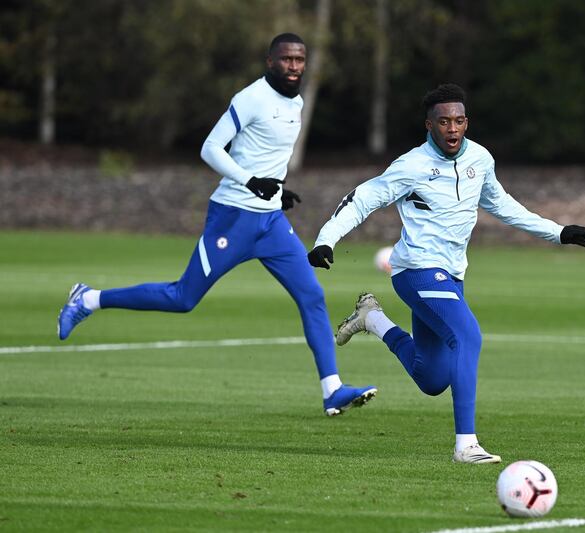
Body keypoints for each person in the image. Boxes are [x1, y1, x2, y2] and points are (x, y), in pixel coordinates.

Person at [57, 33, 377, 417]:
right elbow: (209, 148)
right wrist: (249, 182)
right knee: (183, 299)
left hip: (271, 222)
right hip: (233, 219)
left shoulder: (298, 102)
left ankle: (333, 391)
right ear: (269, 61)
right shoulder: (251, 98)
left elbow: (266, 156)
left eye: (300, 60)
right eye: (286, 59)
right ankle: (88, 299)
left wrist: (277, 191)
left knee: (312, 296)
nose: (294, 66)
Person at [307, 84, 585, 463]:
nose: (452, 128)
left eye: (459, 120)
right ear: (429, 125)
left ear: (467, 122)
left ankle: (373, 319)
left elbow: (504, 205)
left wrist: (557, 232)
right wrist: (326, 239)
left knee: (431, 379)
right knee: (468, 336)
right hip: (416, 271)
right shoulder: (410, 165)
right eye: (443, 121)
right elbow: (362, 199)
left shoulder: (480, 158)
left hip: (452, 276)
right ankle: (466, 445)